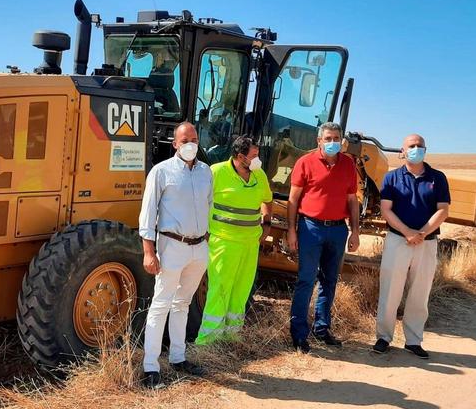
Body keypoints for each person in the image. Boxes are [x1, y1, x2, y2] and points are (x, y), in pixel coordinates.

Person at [138, 122, 213, 389]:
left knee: (183, 304)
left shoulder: (206, 172)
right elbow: (147, 215)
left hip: (199, 248)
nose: (191, 144)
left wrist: (207, 241)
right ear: (175, 144)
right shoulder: (161, 172)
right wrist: (149, 252)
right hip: (171, 247)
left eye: (194, 138)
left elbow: (209, 206)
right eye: (185, 140)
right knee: (161, 305)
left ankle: (179, 358)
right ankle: (150, 367)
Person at [372, 134, 450, 359]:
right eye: (411, 146)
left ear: (425, 150)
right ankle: (383, 337)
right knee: (390, 289)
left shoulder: (437, 178)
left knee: (420, 291)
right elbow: (386, 209)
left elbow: (443, 209)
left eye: (420, 146)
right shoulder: (392, 178)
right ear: (402, 152)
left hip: (427, 242)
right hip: (398, 240)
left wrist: (422, 233)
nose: (416, 149)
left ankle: (414, 340)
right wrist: (407, 233)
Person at [287, 122, 360, 353]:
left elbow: (352, 200)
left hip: (338, 230)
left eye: (336, 138)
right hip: (310, 228)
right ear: (319, 141)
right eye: (327, 138)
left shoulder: (348, 164)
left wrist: (355, 230)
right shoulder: (305, 163)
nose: (332, 142)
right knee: (306, 280)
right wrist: (291, 229)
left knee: (330, 281)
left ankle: (322, 328)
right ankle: (299, 335)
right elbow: (293, 199)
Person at [195, 136, 273, 344]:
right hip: (223, 242)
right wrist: (204, 232)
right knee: (219, 289)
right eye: (254, 156)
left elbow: (267, 200)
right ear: (240, 157)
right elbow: (199, 201)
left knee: (241, 290)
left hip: (249, 244)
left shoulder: (259, 175)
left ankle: (231, 337)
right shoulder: (216, 172)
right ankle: (208, 342)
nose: (258, 160)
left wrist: (266, 225)